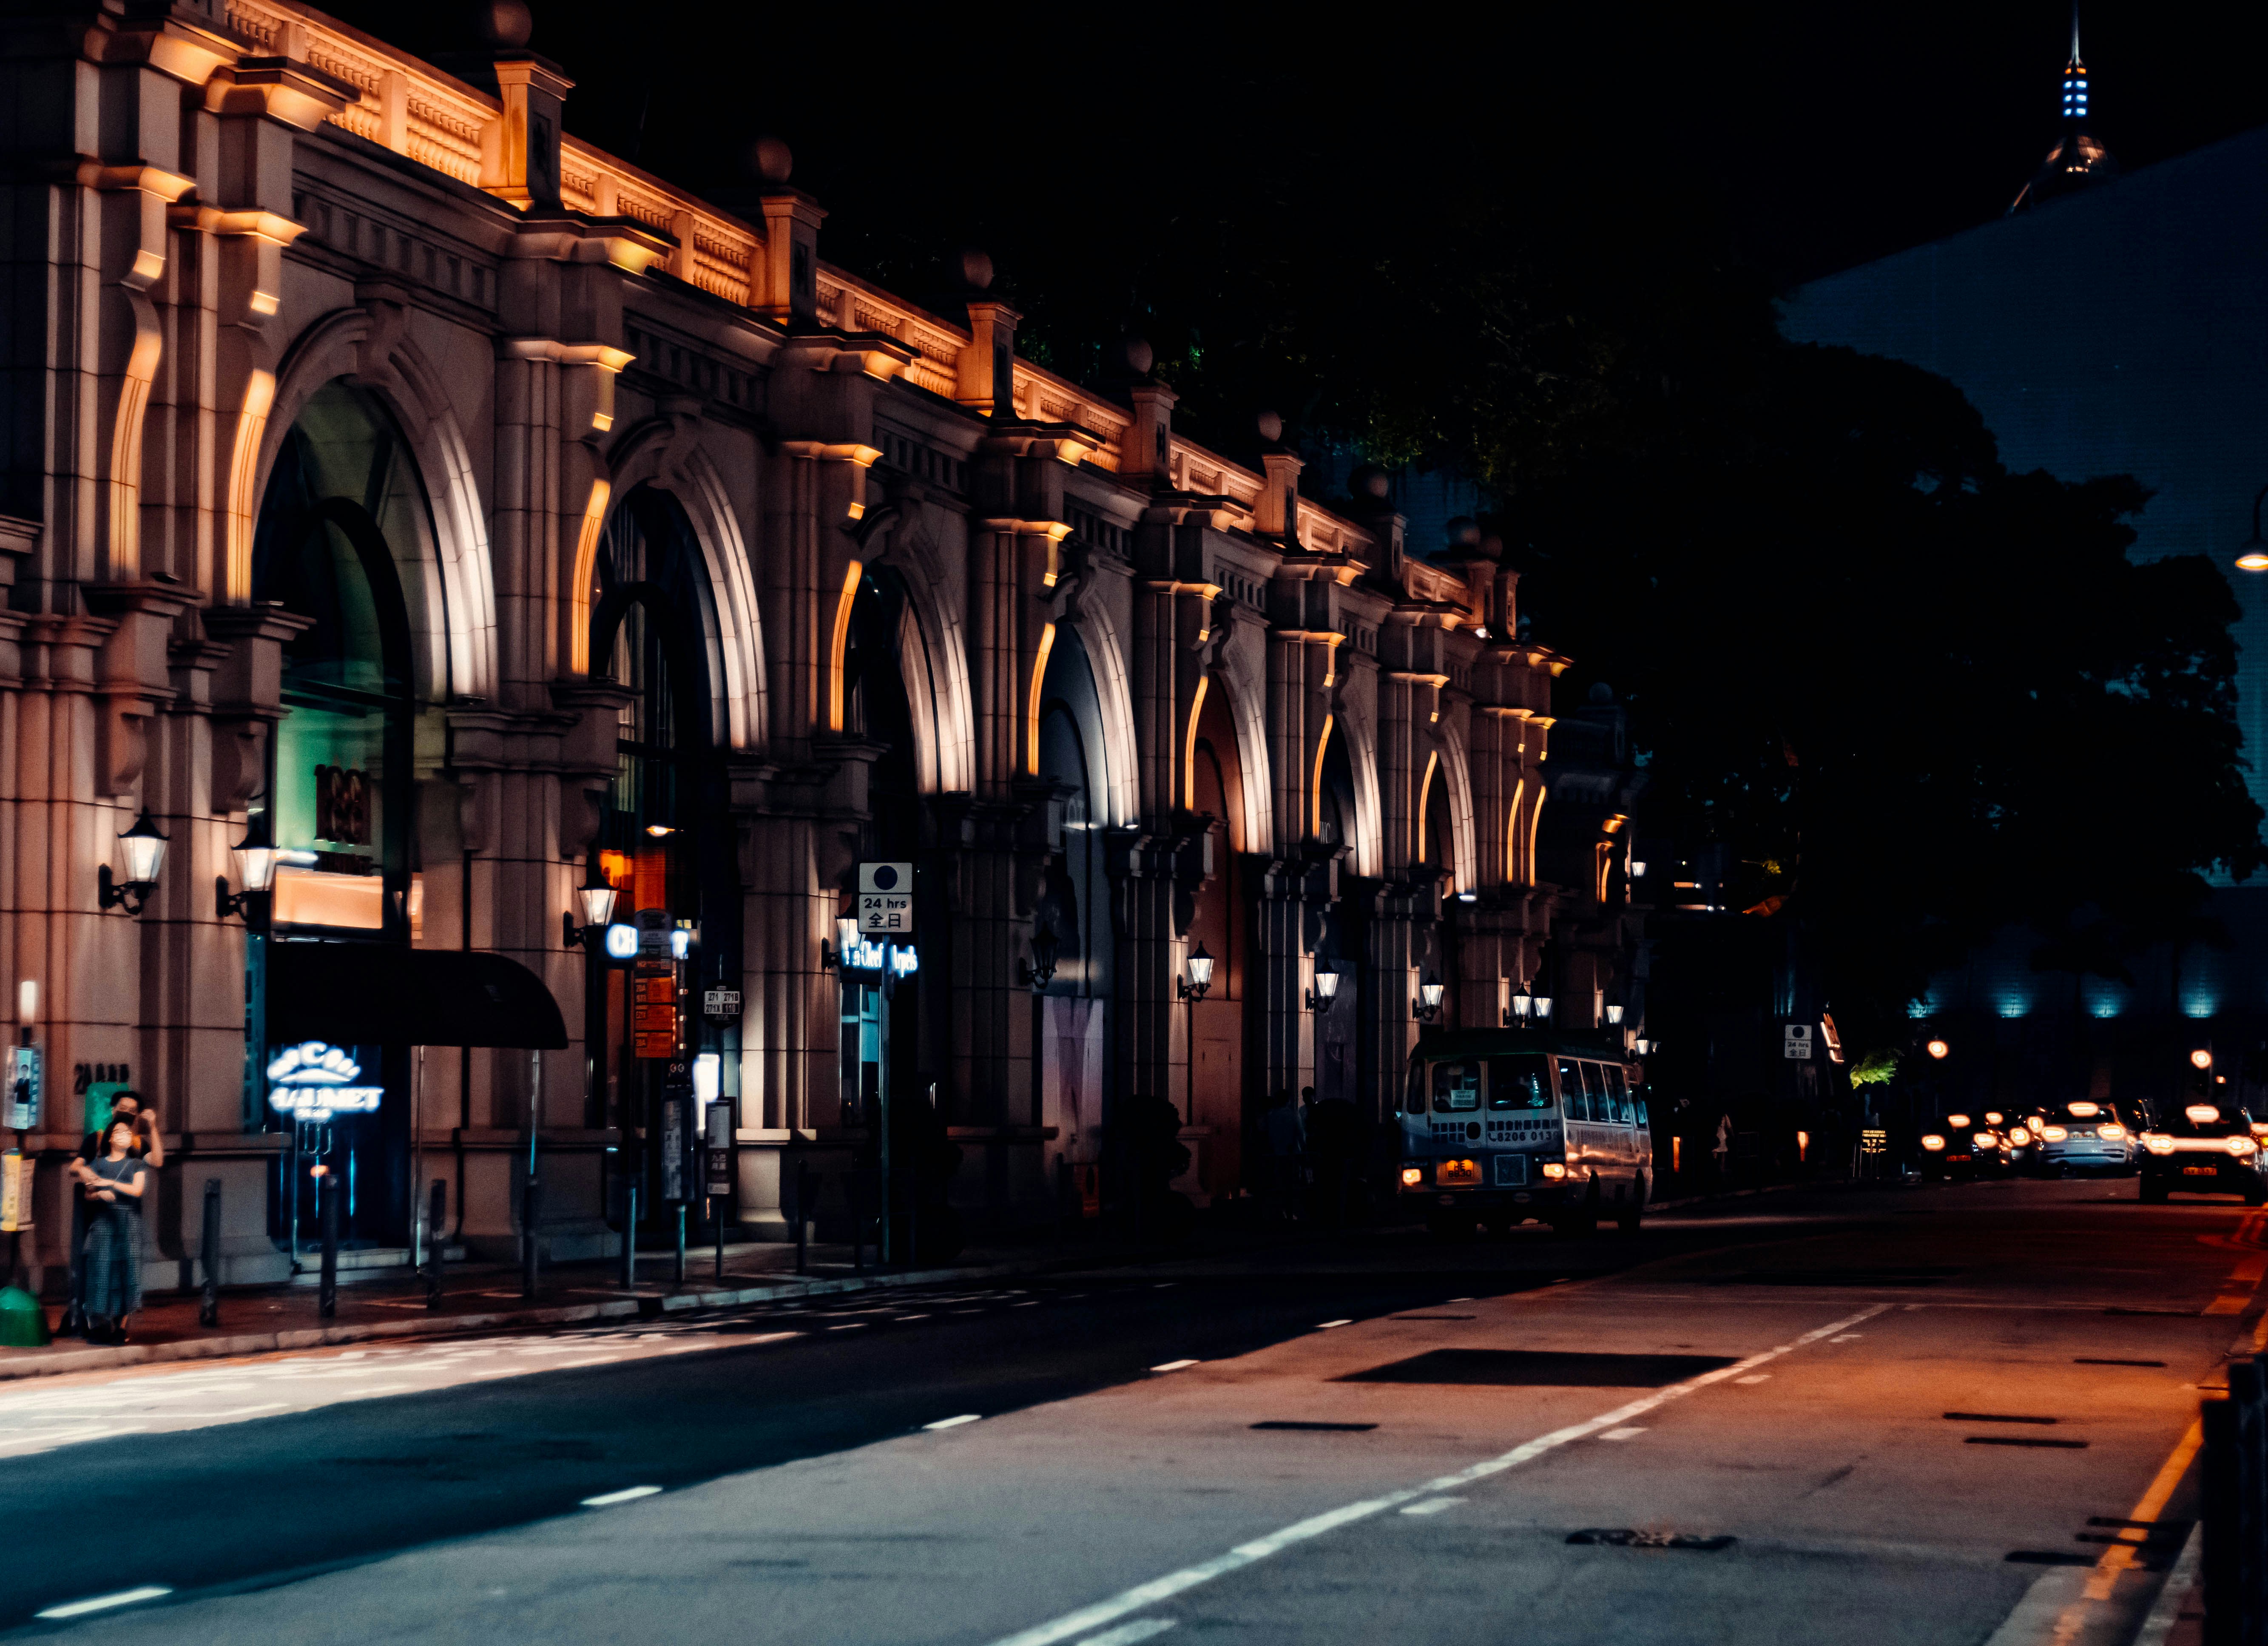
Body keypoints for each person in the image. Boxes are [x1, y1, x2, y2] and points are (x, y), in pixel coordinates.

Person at [64, 1091, 160, 1337]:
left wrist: (152, 1126)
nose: (127, 1114)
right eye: (122, 1108)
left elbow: (157, 1162)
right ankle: (94, 1322)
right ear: (112, 1109)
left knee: (126, 1271)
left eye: (132, 1110)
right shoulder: (97, 1139)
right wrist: (89, 1178)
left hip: (129, 1219)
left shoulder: (139, 1145)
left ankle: (120, 1326)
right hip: (100, 1217)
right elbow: (77, 1166)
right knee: (98, 1268)